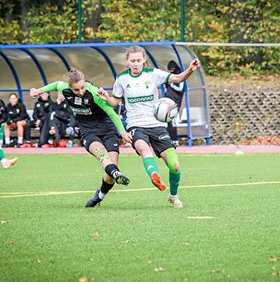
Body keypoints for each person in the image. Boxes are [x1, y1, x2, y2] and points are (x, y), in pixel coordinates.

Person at [98, 46, 200, 208]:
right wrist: (106, 98)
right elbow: (115, 102)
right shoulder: (122, 79)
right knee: (143, 148)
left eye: (138, 60)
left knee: (175, 166)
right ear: (127, 62)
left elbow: (178, 78)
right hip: (135, 125)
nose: (136, 64)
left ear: (144, 60)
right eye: (132, 61)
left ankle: (173, 196)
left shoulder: (153, 74)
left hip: (157, 124)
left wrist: (190, 70)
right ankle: (154, 175)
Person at [30, 68, 132, 207]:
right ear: (70, 87)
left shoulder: (93, 93)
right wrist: (39, 91)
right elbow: (55, 85)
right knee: (104, 158)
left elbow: (111, 112)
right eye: (77, 90)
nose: (81, 92)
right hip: (89, 131)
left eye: (82, 87)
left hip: (107, 129)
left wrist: (123, 132)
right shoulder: (64, 88)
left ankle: (99, 196)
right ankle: (115, 173)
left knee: (110, 176)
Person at [164, 60, 185, 146]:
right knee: (167, 121)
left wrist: (171, 84)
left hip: (175, 102)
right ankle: (168, 139)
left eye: (172, 69)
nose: (171, 71)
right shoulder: (170, 76)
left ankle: (175, 140)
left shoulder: (181, 76)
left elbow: (180, 89)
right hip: (167, 101)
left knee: (173, 121)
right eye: (170, 69)